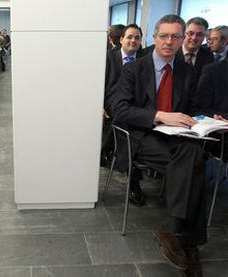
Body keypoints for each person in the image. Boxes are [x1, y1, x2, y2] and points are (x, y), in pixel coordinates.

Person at [113, 15, 206, 276]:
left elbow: (193, 108)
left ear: (183, 40)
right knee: (194, 162)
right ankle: (188, 243)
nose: (169, 41)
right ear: (154, 38)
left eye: (176, 37)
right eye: (164, 36)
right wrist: (159, 115)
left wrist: (205, 119)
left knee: (193, 158)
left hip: (176, 139)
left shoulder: (187, 71)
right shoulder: (134, 68)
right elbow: (120, 109)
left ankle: (174, 231)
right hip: (142, 136)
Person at [102, 24, 144, 205]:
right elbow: (100, 84)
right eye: (130, 37)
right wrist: (101, 106)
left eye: (137, 38)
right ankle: (134, 179)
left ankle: (115, 155)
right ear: (121, 39)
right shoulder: (108, 58)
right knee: (127, 124)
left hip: (137, 107)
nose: (133, 41)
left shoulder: (145, 60)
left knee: (130, 128)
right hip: (113, 104)